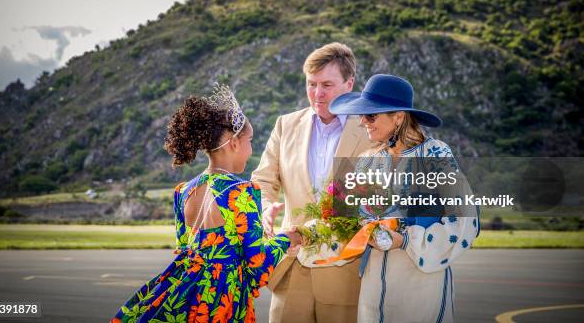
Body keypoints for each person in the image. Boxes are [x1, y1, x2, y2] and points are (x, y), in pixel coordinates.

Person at [111, 85, 302, 323]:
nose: (251, 149)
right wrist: (288, 238)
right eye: (249, 141)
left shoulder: (183, 191)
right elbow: (258, 266)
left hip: (185, 294)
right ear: (234, 143)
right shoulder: (239, 191)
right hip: (220, 301)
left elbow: (184, 247)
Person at [329, 74, 480, 323]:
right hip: (373, 286)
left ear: (398, 117)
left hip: (420, 284)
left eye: (371, 115)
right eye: (363, 115)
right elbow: (351, 215)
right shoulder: (368, 159)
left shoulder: (436, 155)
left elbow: (465, 222)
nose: (363, 121)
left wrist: (405, 240)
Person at [251, 43, 373, 323]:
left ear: (349, 83)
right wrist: (266, 206)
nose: (317, 94)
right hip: (292, 266)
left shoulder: (371, 130)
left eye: (327, 85)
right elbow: (263, 179)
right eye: (311, 84)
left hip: (345, 272)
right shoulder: (286, 124)